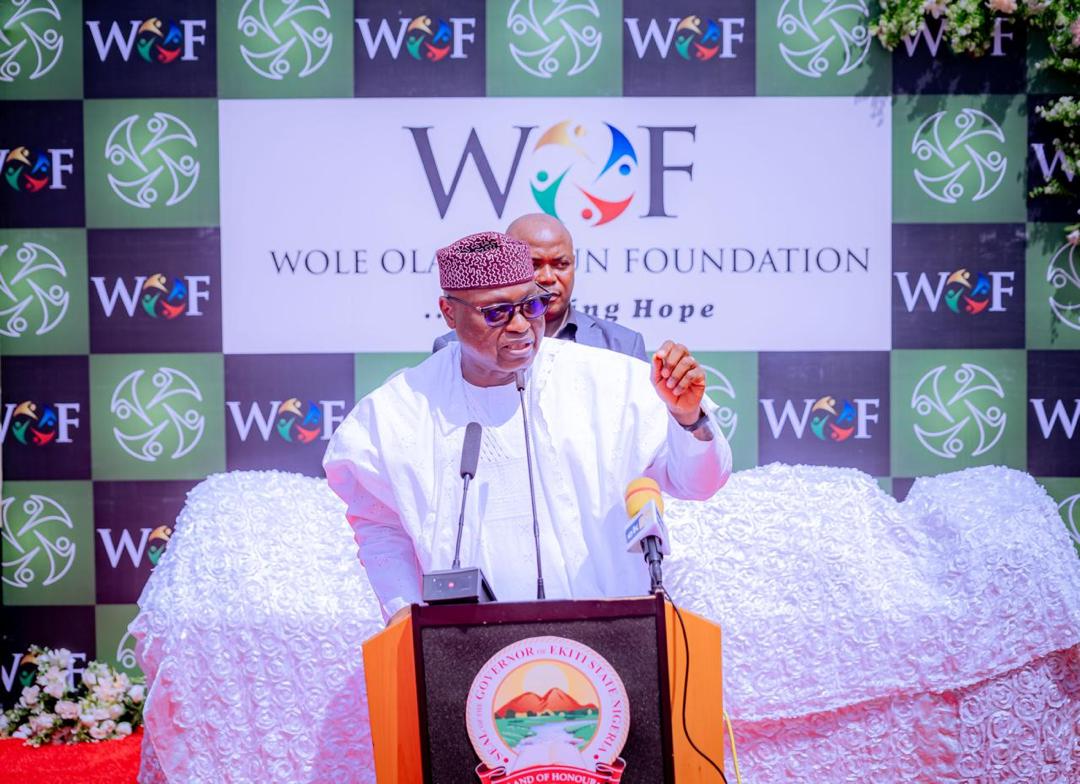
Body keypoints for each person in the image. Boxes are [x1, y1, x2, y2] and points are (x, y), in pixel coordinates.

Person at [324, 231, 731, 620]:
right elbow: (381, 525)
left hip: (607, 640)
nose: (520, 325)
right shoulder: (397, 412)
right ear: (449, 313)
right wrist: (402, 611)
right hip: (466, 649)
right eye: (496, 313)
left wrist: (689, 419)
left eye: (532, 306)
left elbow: (700, 484)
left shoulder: (614, 382)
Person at [433, 213, 647, 361]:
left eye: (561, 264)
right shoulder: (454, 348)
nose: (547, 278)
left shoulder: (622, 346)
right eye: (533, 265)